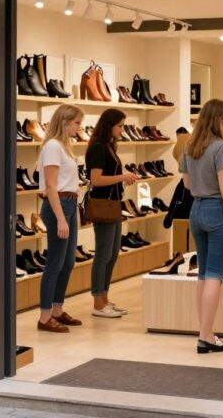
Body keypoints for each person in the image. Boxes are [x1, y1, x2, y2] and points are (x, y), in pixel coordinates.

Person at [179, 99, 223, 354]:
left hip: (196, 210)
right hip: (218, 211)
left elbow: (187, 185)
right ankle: (206, 336)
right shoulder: (221, 148)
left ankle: (205, 332)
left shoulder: (190, 146)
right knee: (214, 275)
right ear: (219, 119)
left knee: (203, 273)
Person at [85, 108, 139, 318]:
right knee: (103, 255)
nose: (122, 129)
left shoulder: (108, 146)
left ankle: (105, 299)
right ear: (109, 125)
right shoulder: (99, 148)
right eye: (120, 126)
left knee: (113, 254)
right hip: (103, 203)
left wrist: (122, 178)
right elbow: (96, 179)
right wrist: (122, 177)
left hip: (113, 203)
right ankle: (98, 302)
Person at [35, 104, 85, 333]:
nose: (79, 127)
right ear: (64, 122)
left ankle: (57, 309)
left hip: (69, 203)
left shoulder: (65, 146)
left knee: (68, 262)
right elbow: (52, 185)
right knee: (54, 263)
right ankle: (45, 316)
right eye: (76, 123)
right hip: (59, 205)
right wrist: (61, 219)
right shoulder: (53, 146)